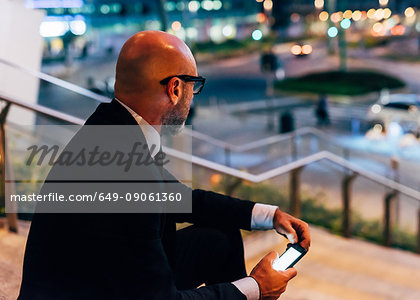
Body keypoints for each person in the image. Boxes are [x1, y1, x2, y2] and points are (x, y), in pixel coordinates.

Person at [19, 31, 310, 300]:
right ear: (174, 88)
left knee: (220, 236)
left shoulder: (109, 125)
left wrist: (269, 216)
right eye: (192, 86)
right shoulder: (128, 173)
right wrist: (256, 288)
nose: (191, 96)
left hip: (94, 275)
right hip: (87, 290)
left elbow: (182, 199)